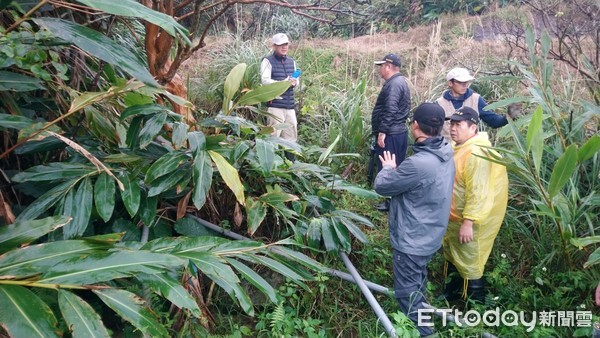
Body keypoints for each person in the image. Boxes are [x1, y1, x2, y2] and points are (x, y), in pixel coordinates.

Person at [374, 102, 455, 337]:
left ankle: (425, 332)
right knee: (417, 281)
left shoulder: (418, 164)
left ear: (416, 126)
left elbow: (383, 186)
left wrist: (389, 168)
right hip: (431, 235)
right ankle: (423, 315)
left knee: (407, 294)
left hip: (412, 240)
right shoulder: (446, 153)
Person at [442, 106, 508, 303]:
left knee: (470, 264)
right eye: (451, 124)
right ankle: (451, 298)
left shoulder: (477, 153)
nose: (453, 128)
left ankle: (472, 310)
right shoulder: (461, 147)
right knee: (453, 257)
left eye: (458, 124)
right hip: (455, 217)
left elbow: (480, 192)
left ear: (473, 128)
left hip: (470, 222)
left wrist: (468, 221)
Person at [370, 53, 411, 211]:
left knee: (389, 167)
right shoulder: (399, 82)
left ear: (388, 66)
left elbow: (391, 109)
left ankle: (389, 202)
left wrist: (382, 132)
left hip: (391, 134)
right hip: (397, 132)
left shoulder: (394, 84)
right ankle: (392, 200)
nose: (380, 69)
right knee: (395, 166)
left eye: (381, 66)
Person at [436, 67, 513, 140]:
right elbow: (432, 131)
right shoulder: (439, 103)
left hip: (472, 150)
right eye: (460, 82)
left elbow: (494, 122)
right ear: (450, 83)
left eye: (466, 82)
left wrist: (510, 116)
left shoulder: (476, 100)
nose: (464, 85)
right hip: (447, 151)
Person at [260, 33, 299, 160]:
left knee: (291, 139)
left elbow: (296, 82)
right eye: (280, 45)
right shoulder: (267, 61)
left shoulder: (291, 62)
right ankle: (271, 169)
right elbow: (264, 80)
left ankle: (290, 168)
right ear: (274, 46)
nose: (284, 47)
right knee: (273, 138)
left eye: (286, 44)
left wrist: (294, 82)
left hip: (290, 106)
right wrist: (283, 83)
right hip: (275, 106)